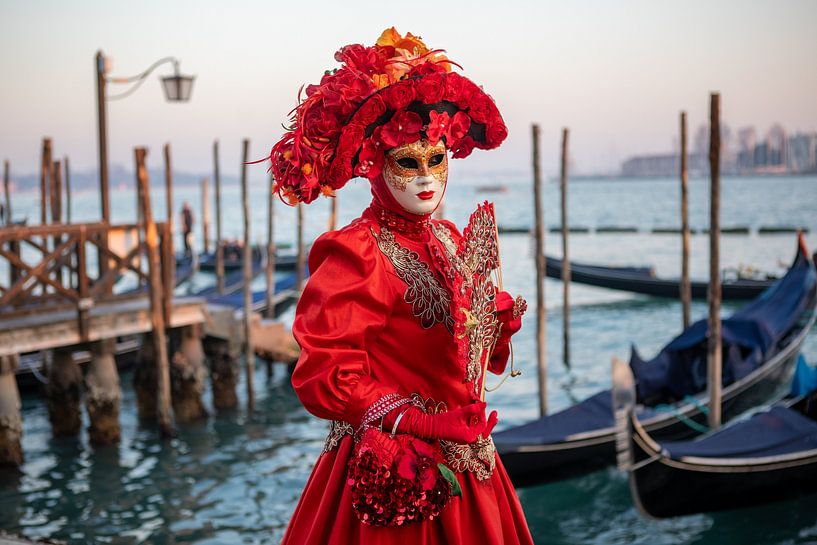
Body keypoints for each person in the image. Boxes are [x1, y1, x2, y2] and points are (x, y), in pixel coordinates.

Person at [268, 28, 533, 544]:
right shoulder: (356, 252)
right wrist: (427, 426)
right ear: (374, 165)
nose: (426, 179)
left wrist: (495, 328)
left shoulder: (450, 237)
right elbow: (325, 376)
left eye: (436, 160)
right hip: (399, 467)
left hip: (473, 462)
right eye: (408, 163)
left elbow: (461, 352)